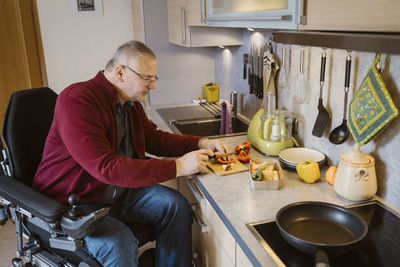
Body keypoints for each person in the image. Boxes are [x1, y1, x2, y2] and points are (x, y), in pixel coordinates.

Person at [33, 40, 229, 266]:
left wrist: (200, 143)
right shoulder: (78, 100)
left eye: (154, 78)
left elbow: (153, 139)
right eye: (147, 78)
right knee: (120, 243)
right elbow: (106, 168)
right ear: (120, 72)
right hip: (75, 204)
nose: (152, 85)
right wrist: (179, 167)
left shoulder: (129, 102)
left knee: (176, 206)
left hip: (117, 192)